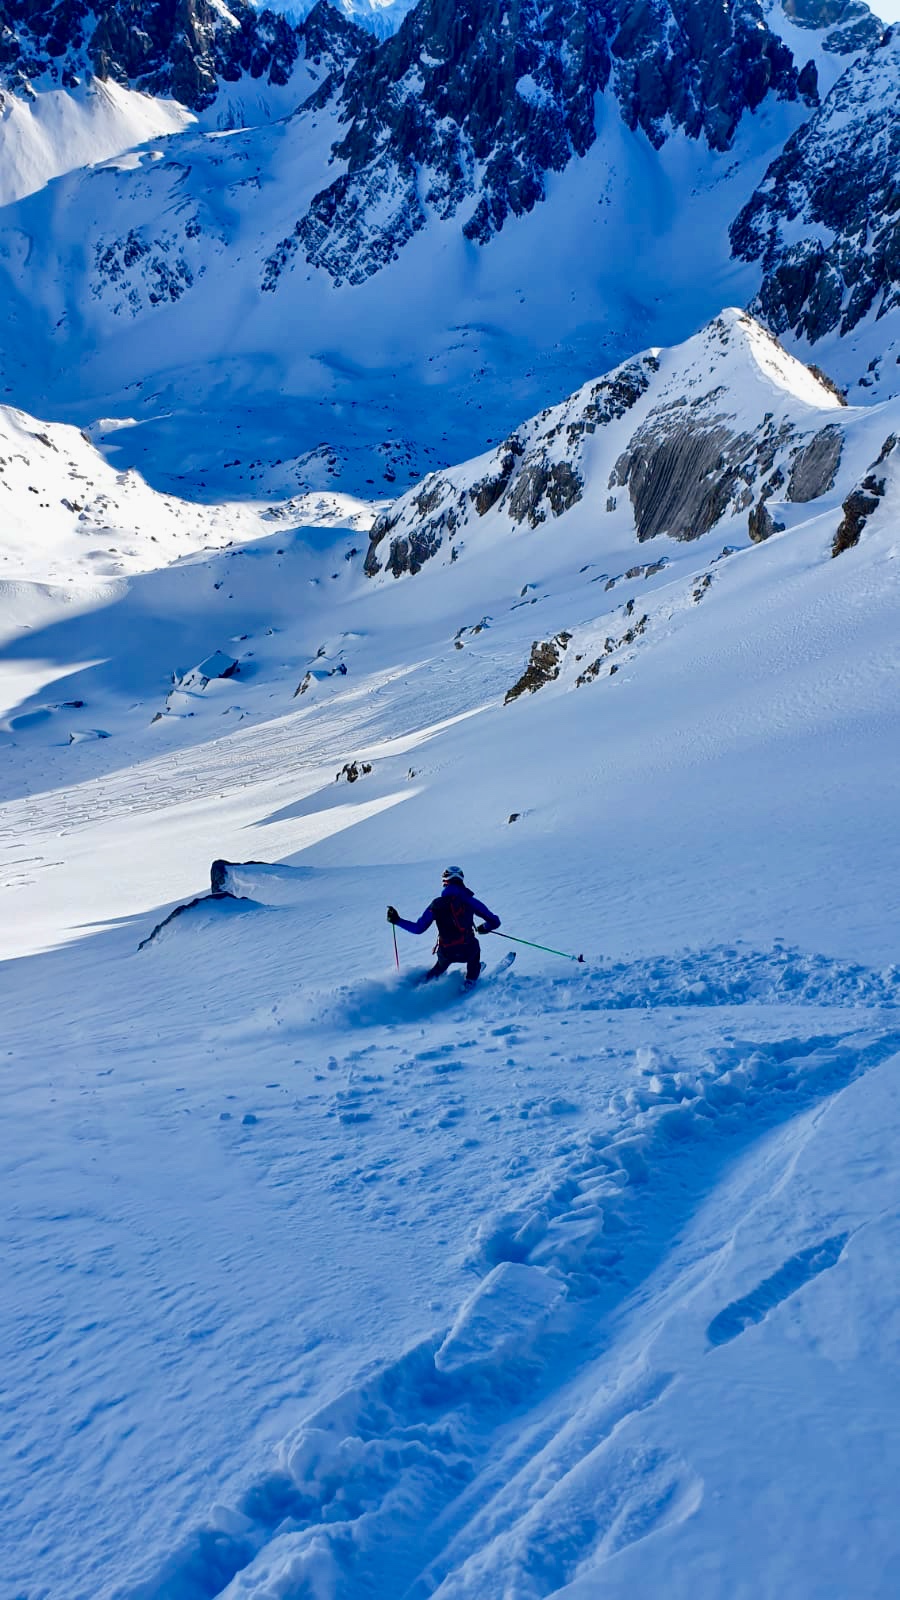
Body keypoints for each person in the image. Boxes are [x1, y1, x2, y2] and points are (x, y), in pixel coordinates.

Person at [387, 866, 501, 985]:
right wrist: (484, 928)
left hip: (446, 951)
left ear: (445, 882)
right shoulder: (470, 901)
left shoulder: (436, 904)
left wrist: (397, 920)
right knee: (474, 954)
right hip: (468, 948)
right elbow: (495, 921)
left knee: (439, 968)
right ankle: (470, 981)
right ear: (461, 880)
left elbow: (418, 929)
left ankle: (419, 986)